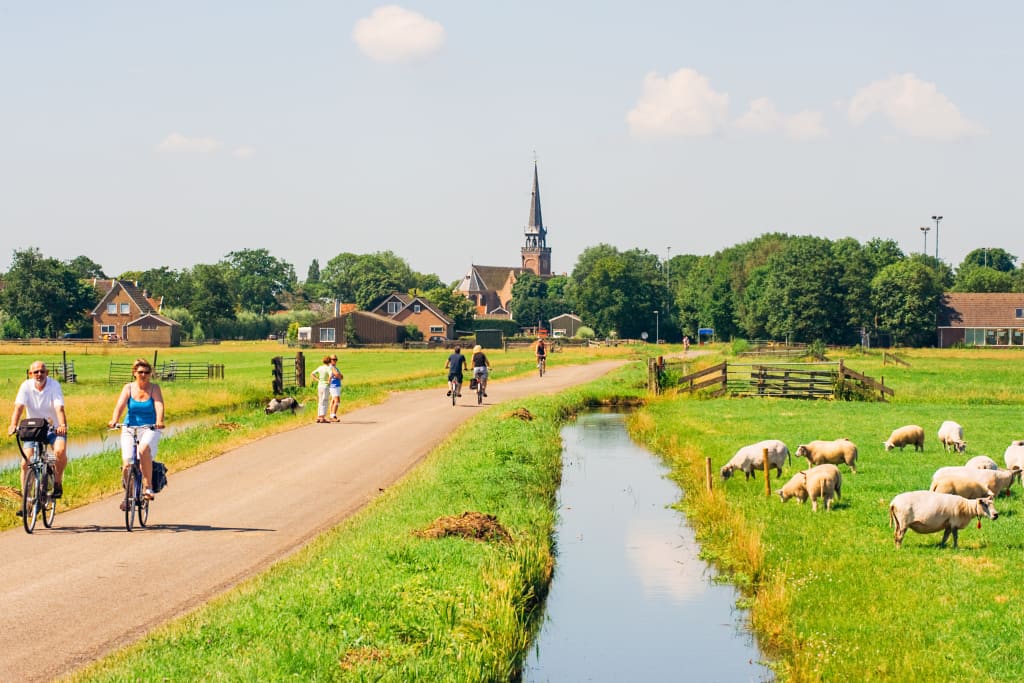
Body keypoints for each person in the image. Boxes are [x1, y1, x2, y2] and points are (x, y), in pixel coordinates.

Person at [8, 361, 69, 513]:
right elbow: (19, 408)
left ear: (47, 373)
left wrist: (62, 425)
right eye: (36, 372)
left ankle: (57, 482)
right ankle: (26, 502)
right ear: (30, 374)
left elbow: (59, 408)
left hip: (54, 427)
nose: (39, 374)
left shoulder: (54, 385)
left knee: (59, 451)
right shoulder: (26, 386)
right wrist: (13, 425)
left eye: (42, 371)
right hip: (33, 429)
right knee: (25, 463)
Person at [108, 358, 165, 504]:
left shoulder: (154, 388)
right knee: (127, 463)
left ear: (150, 374)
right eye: (140, 372)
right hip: (129, 427)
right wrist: (114, 419)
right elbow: (120, 405)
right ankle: (129, 496)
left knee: (143, 449)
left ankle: (148, 487)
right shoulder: (128, 388)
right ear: (134, 373)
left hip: (150, 427)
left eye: (147, 372)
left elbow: (159, 405)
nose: (143, 375)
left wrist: (159, 421)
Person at [310, 355, 333, 423]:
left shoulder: (320, 367)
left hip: (320, 385)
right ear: (329, 361)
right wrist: (329, 381)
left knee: (320, 401)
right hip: (325, 386)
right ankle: (322, 417)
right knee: (325, 401)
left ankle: (319, 417)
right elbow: (331, 375)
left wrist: (317, 380)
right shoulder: (328, 368)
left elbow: (312, 373)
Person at [328, 354, 343, 422]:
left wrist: (340, 376)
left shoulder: (334, 367)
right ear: (330, 360)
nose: (335, 361)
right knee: (337, 401)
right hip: (334, 386)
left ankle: (331, 415)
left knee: (333, 400)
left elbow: (340, 375)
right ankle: (333, 415)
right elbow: (337, 375)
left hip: (335, 385)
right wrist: (340, 376)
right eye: (333, 359)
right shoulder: (331, 367)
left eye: (336, 359)